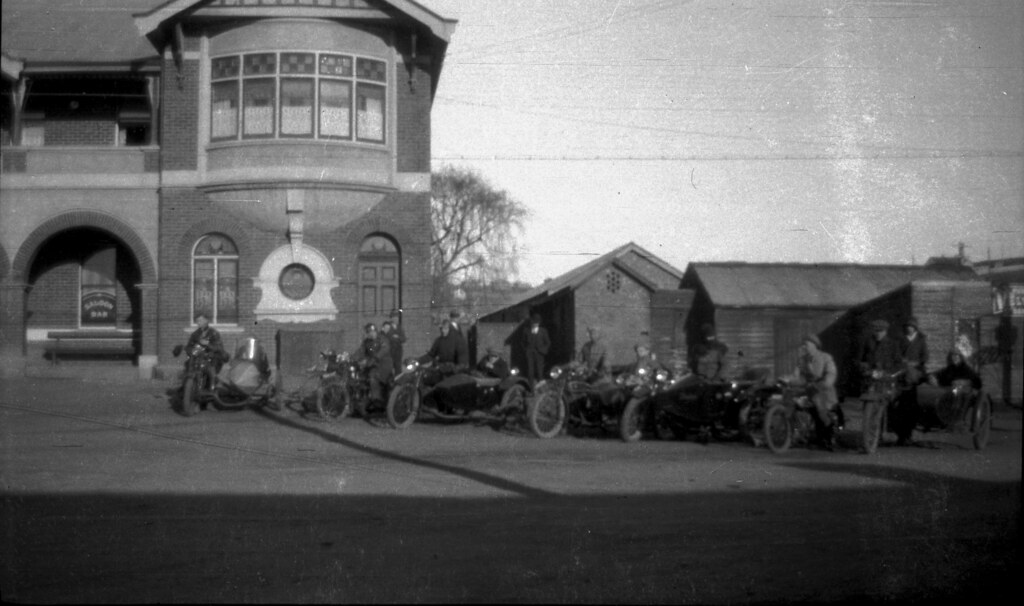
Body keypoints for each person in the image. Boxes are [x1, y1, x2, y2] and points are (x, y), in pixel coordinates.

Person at [785, 334, 840, 450]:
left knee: (822, 411)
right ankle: (793, 435)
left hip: (823, 391)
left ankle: (831, 438)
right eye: (803, 344)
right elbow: (796, 375)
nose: (804, 347)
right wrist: (787, 380)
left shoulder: (826, 357)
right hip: (808, 390)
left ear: (815, 345)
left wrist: (825, 383)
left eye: (806, 344)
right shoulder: (802, 360)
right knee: (791, 404)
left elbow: (831, 374)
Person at [350, 323, 393, 410]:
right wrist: (352, 358)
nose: (370, 334)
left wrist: (375, 358)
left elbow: (384, 350)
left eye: (371, 332)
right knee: (359, 377)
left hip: (383, 365)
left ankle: (376, 399)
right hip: (372, 364)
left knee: (373, 376)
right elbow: (360, 351)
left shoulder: (383, 339)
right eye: (368, 332)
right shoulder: (367, 342)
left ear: (375, 331)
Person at [523, 314, 551, 388]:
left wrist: (543, 350)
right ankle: (531, 388)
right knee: (530, 371)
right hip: (530, 353)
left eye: (536, 323)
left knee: (539, 371)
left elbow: (548, 342)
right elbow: (523, 342)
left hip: (539, 354)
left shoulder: (543, 331)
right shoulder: (526, 331)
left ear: (539, 323)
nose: (534, 324)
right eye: (533, 323)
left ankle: (540, 388)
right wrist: (526, 350)